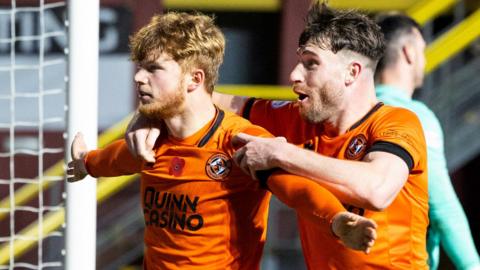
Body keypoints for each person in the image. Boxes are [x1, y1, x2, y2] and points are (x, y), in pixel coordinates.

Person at [124, 3, 430, 269]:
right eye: (299, 61)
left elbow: (377, 189)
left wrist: (281, 153)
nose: (294, 75)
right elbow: (204, 98)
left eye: (311, 64)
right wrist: (149, 112)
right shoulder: (295, 119)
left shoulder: (398, 122)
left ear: (351, 73)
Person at [66, 12, 377, 270]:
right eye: (139, 67)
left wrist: (337, 220)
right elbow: (113, 160)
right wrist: (85, 162)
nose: (138, 78)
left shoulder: (240, 140)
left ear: (195, 79)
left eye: (153, 69)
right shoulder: (148, 140)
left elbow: (295, 188)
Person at [374, 13, 480, 270]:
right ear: (409, 52)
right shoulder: (414, 117)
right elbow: (443, 208)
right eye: (422, 49)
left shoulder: (351, 111)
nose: (424, 58)